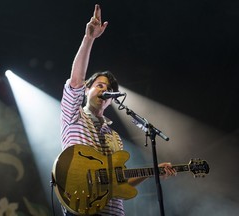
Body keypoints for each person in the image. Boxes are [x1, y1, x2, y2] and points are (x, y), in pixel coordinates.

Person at [60, 4, 176, 216]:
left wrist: (152, 172)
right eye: (100, 85)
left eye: (110, 89)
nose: (105, 90)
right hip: (81, 207)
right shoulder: (73, 115)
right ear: (87, 89)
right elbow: (75, 80)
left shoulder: (114, 137)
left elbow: (119, 186)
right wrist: (89, 39)